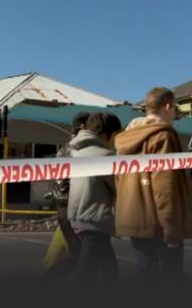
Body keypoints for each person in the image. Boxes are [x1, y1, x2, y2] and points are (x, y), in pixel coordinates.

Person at [114, 87, 192, 284]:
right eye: (175, 107)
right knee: (172, 278)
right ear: (167, 106)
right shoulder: (163, 136)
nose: (175, 113)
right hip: (158, 221)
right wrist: (170, 228)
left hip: (135, 217)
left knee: (145, 276)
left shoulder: (127, 137)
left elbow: (117, 177)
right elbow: (164, 185)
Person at [68, 112, 122, 284]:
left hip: (77, 217)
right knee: (86, 273)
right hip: (95, 220)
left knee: (106, 270)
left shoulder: (75, 151)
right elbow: (118, 187)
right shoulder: (105, 156)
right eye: (116, 136)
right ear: (107, 134)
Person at [37, 112, 89, 283]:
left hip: (63, 208)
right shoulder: (80, 148)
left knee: (82, 256)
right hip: (75, 209)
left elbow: (55, 180)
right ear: (82, 126)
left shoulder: (64, 148)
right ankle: (44, 282)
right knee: (81, 257)